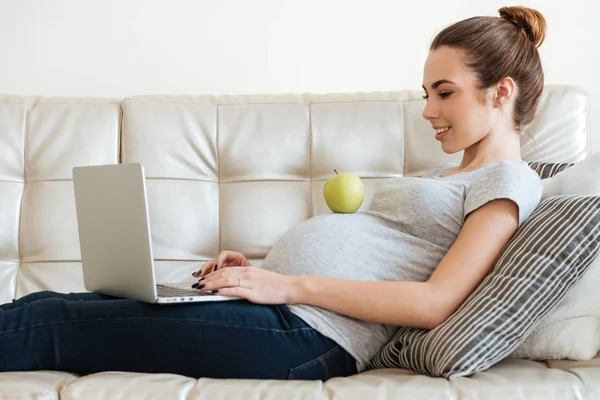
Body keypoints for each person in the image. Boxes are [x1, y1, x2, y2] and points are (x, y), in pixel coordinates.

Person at [0, 6, 546, 380]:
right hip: (282, 315)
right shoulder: (444, 177)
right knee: (50, 304)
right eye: (426, 93)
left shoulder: (509, 180)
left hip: (310, 338)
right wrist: (253, 270)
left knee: (53, 327)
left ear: (501, 92)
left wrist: (283, 284)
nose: (428, 110)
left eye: (444, 93)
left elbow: (432, 304)